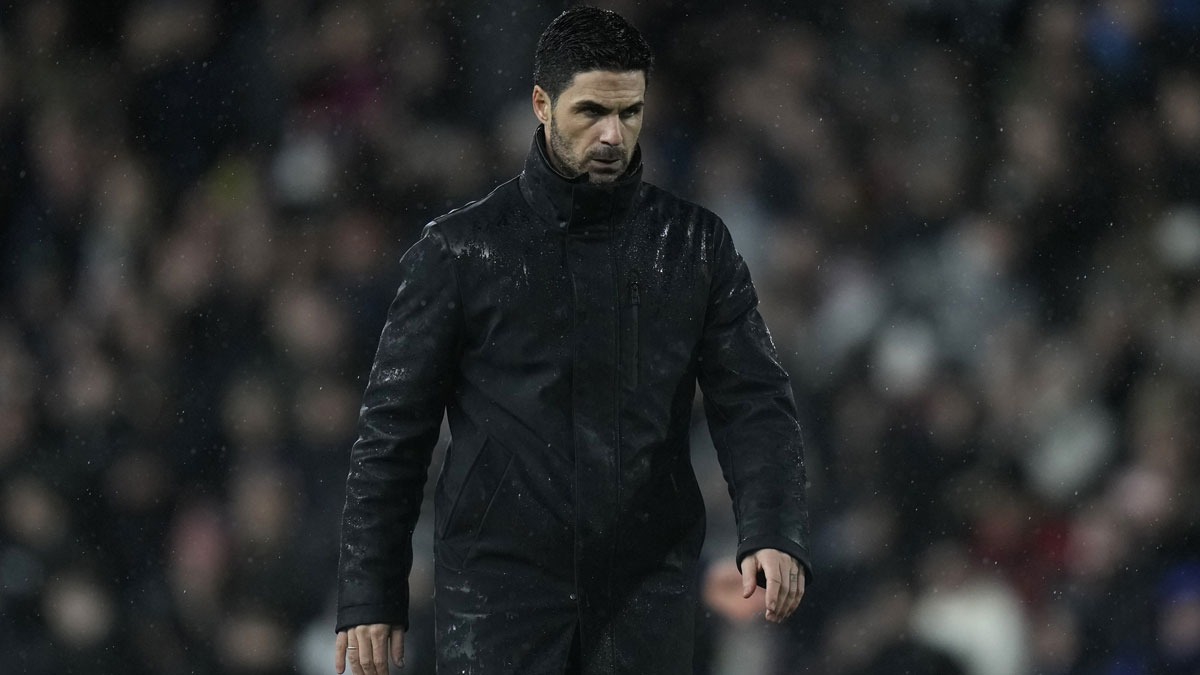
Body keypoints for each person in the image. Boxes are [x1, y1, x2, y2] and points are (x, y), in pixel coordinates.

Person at [334, 7, 812, 674]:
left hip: (645, 594)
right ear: (542, 104)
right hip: (500, 594)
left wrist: (771, 529)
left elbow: (755, 399)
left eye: (630, 111)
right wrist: (371, 591)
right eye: (591, 111)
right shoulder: (462, 251)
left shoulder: (695, 246)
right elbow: (392, 433)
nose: (613, 134)